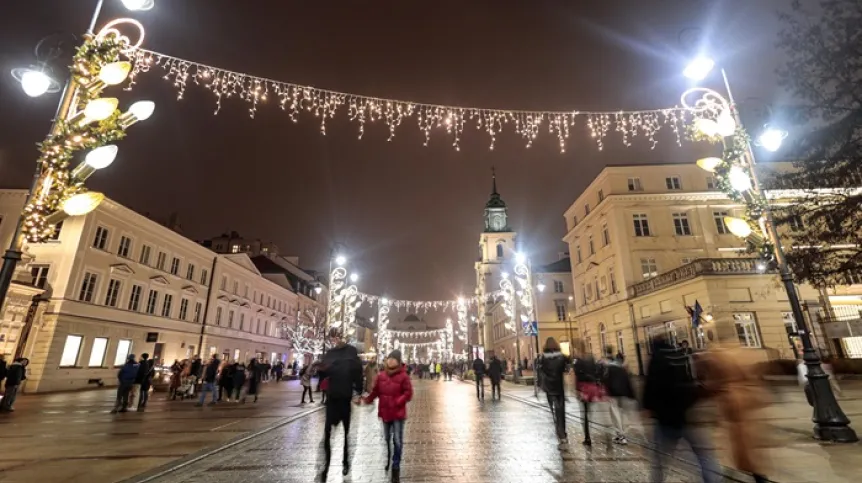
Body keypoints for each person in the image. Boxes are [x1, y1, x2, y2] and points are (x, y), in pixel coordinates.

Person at [643, 334, 719, 483]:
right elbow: (694, 380)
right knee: (704, 455)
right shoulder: (681, 355)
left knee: (659, 462)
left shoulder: (656, 359)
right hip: (690, 414)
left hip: (667, 419)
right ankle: (714, 480)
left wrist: (648, 407)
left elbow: (651, 387)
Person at [699, 343, 771, 483]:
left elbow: (711, 385)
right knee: (745, 449)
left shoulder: (718, 362)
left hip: (734, 407)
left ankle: (752, 475)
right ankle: (755, 474)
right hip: (740, 410)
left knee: (740, 448)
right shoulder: (736, 357)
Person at [317, 329, 363, 482]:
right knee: (327, 434)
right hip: (332, 397)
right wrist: (320, 370)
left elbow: (357, 372)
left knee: (346, 433)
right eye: (333, 337)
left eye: (337, 337)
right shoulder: (329, 353)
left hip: (345, 397)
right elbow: (323, 373)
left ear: (343, 338)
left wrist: (358, 391)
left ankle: (345, 461)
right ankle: (325, 466)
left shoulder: (351, 351)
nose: (335, 340)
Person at [364, 350, 413, 483]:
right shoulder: (381, 376)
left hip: (397, 413)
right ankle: (389, 457)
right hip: (385, 412)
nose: (390, 361)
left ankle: (395, 467)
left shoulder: (404, 376)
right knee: (386, 439)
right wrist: (366, 400)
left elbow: (409, 393)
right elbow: (375, 392)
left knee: (397, 440)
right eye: (389, 359)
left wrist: (398, 401)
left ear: (398, 361)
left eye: (393, 359)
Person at [601, 346, 635, 444]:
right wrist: (631, 393)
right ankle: (619, 434)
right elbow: (626, 378)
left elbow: (606, 379)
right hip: (622, 392)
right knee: (620, 413)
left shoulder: (607, 366)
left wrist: (605, 392)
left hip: (613, 393)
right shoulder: (619, 365)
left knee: (615, 414)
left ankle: (621, 436)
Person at [540, 338, 568, 446]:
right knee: (561, 410)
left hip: (549, 387)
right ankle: (563, 434)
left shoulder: (543, 358)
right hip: (559, 386)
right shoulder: (561, 357)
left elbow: (542, 370)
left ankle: (558, 430)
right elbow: (565, 369)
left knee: (553, 411)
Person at [574, 348, 603, 446]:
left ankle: (587, 437)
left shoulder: (578, 361)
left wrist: (577, 390)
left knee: (584, 414)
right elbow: (597, 371)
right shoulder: (591, 359)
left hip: (584, 389)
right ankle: (588, 434)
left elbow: (578, 376)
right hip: (592, 387)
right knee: (589, 412)